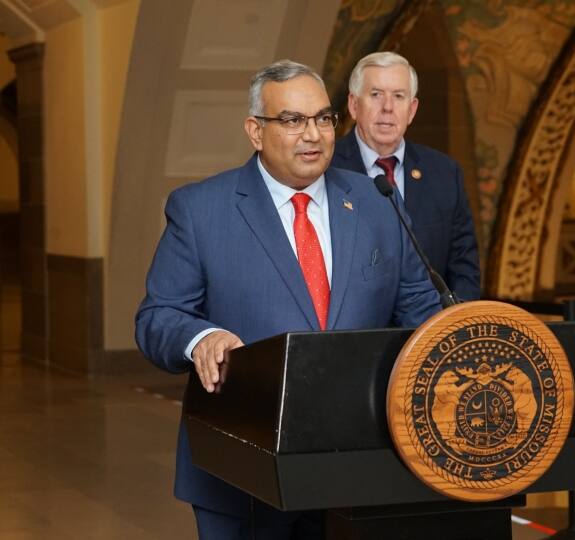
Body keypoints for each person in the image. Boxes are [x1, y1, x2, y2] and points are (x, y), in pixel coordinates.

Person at [135, 59, 441, 540]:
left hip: (357, 468)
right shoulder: (200, 210)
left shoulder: (376, 201)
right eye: (292, 121)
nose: (314, 135)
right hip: (243, 470)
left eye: (323, 118)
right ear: (255, 131)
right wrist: (201, 338)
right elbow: (157, 317)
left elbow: (422, 307)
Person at [332, 51, 481, 301]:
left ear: (412, 110)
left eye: (398, 96)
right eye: (376, 94)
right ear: (354, 105)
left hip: (430, 329)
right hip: (354, 333)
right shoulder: (326, 169)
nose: (388, 107)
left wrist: (455, 327)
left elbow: (464, 265)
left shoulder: (444, 173)